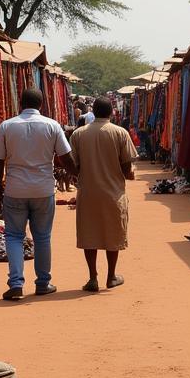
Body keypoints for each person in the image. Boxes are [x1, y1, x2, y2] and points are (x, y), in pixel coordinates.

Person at [0, 87, 76, 301]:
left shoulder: (7, 126)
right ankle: (43, 283)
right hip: (43, 189)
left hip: (15, 189)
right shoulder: (52, 125)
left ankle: (16, 283)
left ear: (21, 103)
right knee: (42, 237)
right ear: (41, 105)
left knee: (13, 236)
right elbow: (66, 157)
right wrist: (78, 174)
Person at [70, 95, 138, 292]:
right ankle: (111, 276)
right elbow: (127, 166)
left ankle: (92, 277)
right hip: (113, 193)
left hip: (88, 192)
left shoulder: (79, 134)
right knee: (113, 234)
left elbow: (73, 163)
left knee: (89, 234)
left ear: (93, 112)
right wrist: (127, 174)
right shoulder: (120, 133)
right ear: (111, 112)